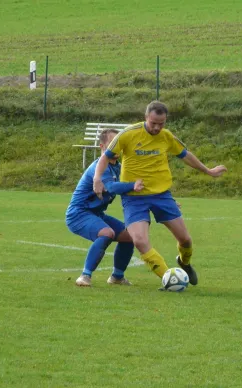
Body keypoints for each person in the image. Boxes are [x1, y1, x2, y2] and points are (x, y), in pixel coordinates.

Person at [92, 101, 227, 287]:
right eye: (153, 123)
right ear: (146, 117)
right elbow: (106, 157)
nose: (157, 127)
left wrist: (208, 171)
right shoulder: (128, 134)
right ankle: (169, 278)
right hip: (134, 197)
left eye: (161, 123)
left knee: (185, 240)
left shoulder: (166, 136)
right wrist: (97, 178)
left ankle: (184, 263)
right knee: (139, 240)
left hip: (161, 195)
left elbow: (185, 155)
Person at [66, 128, 144, 287]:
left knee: (129, 236)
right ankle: (85, 276)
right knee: (107, 233)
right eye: (112, 144)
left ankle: (117, 277)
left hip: (96, 214)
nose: (116, 148)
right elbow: (112, 187)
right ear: (102, 147)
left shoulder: (119, 167)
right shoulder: (99, 168)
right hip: (79, 214)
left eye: (118, 144)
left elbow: (134, 188)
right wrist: (132, 185)